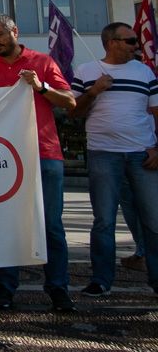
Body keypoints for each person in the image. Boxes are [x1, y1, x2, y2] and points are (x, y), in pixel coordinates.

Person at [0, 14, 77, 313]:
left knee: (51, 226)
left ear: (14, 31)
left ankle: (58, 289)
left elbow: (69, 102)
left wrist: (41, 87)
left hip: (44, 153)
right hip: (2, 157)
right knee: (8, 225)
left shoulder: (41, 62)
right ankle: (5, 291)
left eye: (0, 35)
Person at [70, 22, 158, 298]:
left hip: (142, 153)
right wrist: (94, 91)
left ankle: (156, 280)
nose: (135, 45)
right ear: (111, 43)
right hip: (103, 153)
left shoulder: (145, 72)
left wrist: (157, 148)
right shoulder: (85, 71)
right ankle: (101, 280)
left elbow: (156, 111)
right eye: (130, 41)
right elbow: (73, 112)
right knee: (104, 220)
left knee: (153, 219)